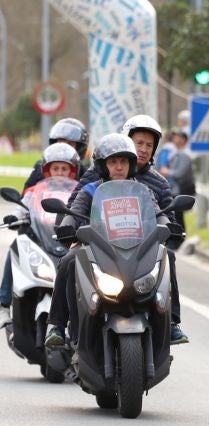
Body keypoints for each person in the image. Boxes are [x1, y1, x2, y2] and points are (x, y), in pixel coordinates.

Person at [54, 114, 188, 345]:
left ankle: (170, 322)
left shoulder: (148, 187)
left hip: (140, 248)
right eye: (139, 144)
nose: (118, 166)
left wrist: (169, 227)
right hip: (98, 246)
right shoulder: (92, 184)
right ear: (104, 164)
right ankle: (58, 326)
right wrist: (69, 229)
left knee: (169, 256)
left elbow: (164, 213)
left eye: (149, 145)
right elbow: (73, 208)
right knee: (68, 260)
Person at [0, 143, 80, 328]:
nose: (59, 172)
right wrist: (15, 216)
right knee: (16, 246)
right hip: (43, 241)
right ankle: (3, 304)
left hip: (69, 243)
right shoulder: (36, 191)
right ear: (46, 170)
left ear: (72, 171)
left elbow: (83, 210)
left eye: (64, 168)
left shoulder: (78, 192)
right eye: (55, 168)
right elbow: (23, 207)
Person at [21, 118, 90, 190]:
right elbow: (26, 195)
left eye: (70, 144)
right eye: (61, 142)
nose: (64, 148)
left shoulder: (86, 175)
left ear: (80, 148)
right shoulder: (41, 169)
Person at [165, 130, 195, 248]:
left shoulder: (184, 155)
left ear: (183, 139)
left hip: (180, 191)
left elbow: (180, 173)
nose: (175, 139)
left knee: (178, 216)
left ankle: (179, 240)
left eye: (177, 136)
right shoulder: (177, 153)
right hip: (175, 190)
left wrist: (168, 172)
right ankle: (178, 239)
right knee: (177, 216)